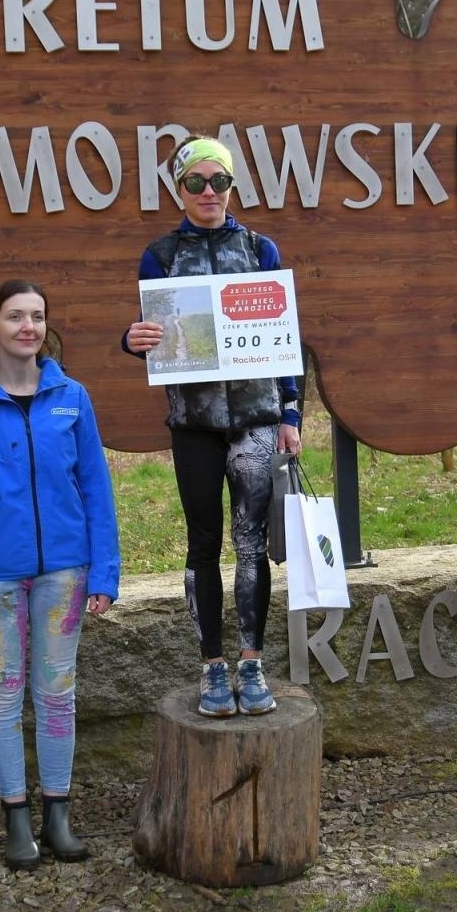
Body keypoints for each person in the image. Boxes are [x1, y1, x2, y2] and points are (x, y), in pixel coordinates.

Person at [0, 281, 119, 868]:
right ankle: (16, 819)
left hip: (65, 572)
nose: (28, 327)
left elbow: (95, 486)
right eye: (15, 316)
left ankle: (58, 815)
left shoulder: (72, 396)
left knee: (57, 693)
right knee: (2, 695)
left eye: (37, 317)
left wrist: (105, 571)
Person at [122, 135, 301, 718]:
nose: (208, 192)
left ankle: (252, 662)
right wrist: (131, 341)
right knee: (204, 545)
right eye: (195, 182)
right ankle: (212, 668)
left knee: (251, 546)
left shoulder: (259, 247)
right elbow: (150, 336)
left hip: (254, 422)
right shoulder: (161, 254)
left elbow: (283, 339)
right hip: (194, 424)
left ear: (232, 186)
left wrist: (291, 413)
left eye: (218, 181)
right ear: (180, 189)